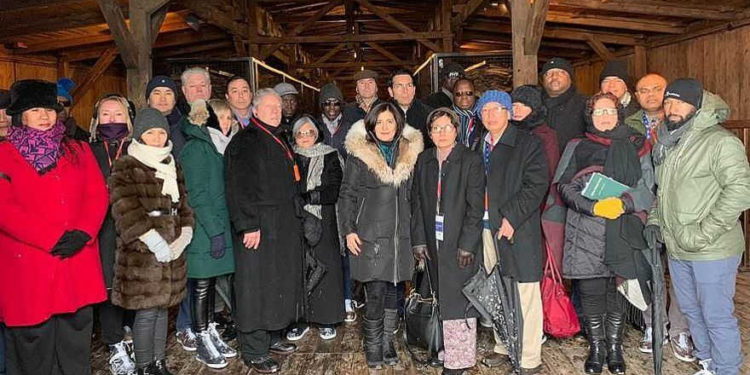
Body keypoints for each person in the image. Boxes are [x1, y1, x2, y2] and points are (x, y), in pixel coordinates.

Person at [0, 79, 109, 375]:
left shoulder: (79, 150)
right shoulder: (4, 154)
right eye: (35, 109)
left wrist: (84, 232)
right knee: (34, 342)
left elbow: (97, 194)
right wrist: (51, 238)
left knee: (75, 335)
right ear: (20, 114)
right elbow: (4, 208)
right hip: (31, 262)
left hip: (76, 257)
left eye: (49, 109)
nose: (45, 116)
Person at [647, 79, 750, 375]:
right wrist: (655, 222)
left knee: (716, 314)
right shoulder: (671, 140)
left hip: (712, 248)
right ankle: (708, 363)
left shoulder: (720, 141)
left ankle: (727, 369)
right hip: (679, 244)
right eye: (668, 102)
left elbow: (740, 191)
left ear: (698, 105)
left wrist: (702, 232)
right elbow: (663, 192)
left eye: (679, 102)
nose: (671, 108)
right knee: (691, 311)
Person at [555, 92, 654, 375]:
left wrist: (623, 203)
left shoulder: (637, 144)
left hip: (622, 230)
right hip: (585, 230)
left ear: (619, 113)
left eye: (609, 111)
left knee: (615, 294)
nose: (604, 116)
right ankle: (597, 348)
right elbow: (563, 185)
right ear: (590, 116)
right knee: (591, 294)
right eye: (598, 112)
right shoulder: (577, 145)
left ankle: (615, 348)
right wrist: (593, 207)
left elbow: (648, 188)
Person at [338, 102, 424, 369]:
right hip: (370, 235)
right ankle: (373, 346)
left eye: (390, 121)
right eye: (380, 122)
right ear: (371, 125)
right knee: (374, 292)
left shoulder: (410, 154)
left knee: (393, 292)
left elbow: (417, 199)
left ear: (398, 123)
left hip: (400, 237)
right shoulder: (359, 156)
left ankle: (387, 342)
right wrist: (348, 230)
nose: (385, 127)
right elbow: (347, 196)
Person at [109, 108, 194, 375]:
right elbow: (126, 208)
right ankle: (145, 365)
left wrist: (185, 233)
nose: (157, 138)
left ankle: (159, 362)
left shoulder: (172, 163)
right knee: (146, 311)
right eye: (150, 133)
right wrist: (153, 241)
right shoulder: (127, 164)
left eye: (161, 132)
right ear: (140, 135)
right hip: (142, 251)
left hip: (172, 246)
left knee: (161, 310)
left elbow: (184, 204)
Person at [225, 88, 304, 374]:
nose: (275, 110)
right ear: (255, 111)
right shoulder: (245, 141)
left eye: (277, 106)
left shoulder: (277, 135)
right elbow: (239, 186)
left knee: (276, 282)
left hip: (280, 224)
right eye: (268, 106)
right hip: (258, 226)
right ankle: (254, 349)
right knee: (255, 287)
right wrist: (248, 225)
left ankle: (271, 335)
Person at [475, 91, 548, 375]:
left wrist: (512, 217)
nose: (491, 115)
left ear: (509, 112)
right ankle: (504, 346)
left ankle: (529, 358)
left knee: (524, 292)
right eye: (485, 110)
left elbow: (536, 184)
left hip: (517, 229)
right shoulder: (479, 144)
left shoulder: (527, 143)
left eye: (497, 108)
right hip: (485, 228)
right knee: (497, 288)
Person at [623, 73, 694, 359]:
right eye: (643, 90)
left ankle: (680, 330)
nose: (651, 95)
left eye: (657, 89)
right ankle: (655, 325)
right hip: (643, 206)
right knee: (647, 271)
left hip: (678, 207)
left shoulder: (684, 123)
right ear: (635, 96)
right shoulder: (627, 125)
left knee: (680, 272)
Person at [411, 108, 484, 375]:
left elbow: (476, 207)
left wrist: (468, 242)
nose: (441, 133)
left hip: (459, 242)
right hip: (432, 241)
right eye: (436, 128)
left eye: (447, 127)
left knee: (459, 299)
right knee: (441, 296)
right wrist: (418, 239)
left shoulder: (470, 159)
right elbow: (417, 202)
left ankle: (460, 360)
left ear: (456, 130)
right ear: (429, 134)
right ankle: (446, 349)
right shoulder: (425, 160)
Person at [179, 99, 238, 369]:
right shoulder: (196, 149)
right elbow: (197, 194)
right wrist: (214, 231)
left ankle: (211, 328)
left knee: (212, 283)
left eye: (229, 118)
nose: (226, 123)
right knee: (201, 285)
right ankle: (201, 336)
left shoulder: (222, 146)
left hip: (221, 225)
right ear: (208, 119)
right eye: (221, 118)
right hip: (205, 228)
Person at [88, 93, 139, 375]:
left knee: (133, 284)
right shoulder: (86, 151)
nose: (112, 119)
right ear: (96, 120)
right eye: (106, 114)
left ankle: (130, 332)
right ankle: (114, 343)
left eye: (118, 114)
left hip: (132, 229)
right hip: (102, 230)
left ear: (128, 119)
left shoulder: (137, 149)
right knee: (109, 288)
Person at [285, 116, 346, 341]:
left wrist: (309, 196)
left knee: (325, 268)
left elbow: (335, 187)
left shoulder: (329, 154)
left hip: (324, 218)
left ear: (317, 134)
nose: (305, 137)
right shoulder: (288, 154)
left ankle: (326, 319)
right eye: (300, 133)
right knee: (298, 268)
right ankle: (299, 320)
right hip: (295, 218)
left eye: (309, 132)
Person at [510, 85, 564, 273]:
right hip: (511, 205)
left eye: (522, 105)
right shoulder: (509, 132)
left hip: (537, 206)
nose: (516, 110)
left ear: (533, 108)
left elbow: (548, 172)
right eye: (513, 105)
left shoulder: (545, 135)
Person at [540, 57, 588, 153]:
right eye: (548, 73)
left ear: (570, 78)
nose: (554, 77)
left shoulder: (585, 104)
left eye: (561, 72)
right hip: (539, 164)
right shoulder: (534, 105)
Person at [388, 69, 433, 146]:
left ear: (414, 90)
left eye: (409, 85)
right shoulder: (383, 115)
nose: (405, 91)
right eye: (399, 86)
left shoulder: (429, 114)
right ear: (391, 91)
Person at [147, 75, 184, 157]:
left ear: (175, 100)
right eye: (157, 93)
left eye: (168, 93)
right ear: (148, 100)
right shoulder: (139, 128)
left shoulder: (186, 128)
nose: (162, 99)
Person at [625, 73, 668, 141]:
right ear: (637, 97)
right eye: (644, 91)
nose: (651, 94)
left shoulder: (679, 119)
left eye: (657, 89)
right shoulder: (628, 124)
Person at [451, 78, 481, 149]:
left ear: (474, 94)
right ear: (453, 96)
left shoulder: (484, 115)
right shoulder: (446, 117)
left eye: (469, 93)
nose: (464, 97)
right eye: (458, 94)